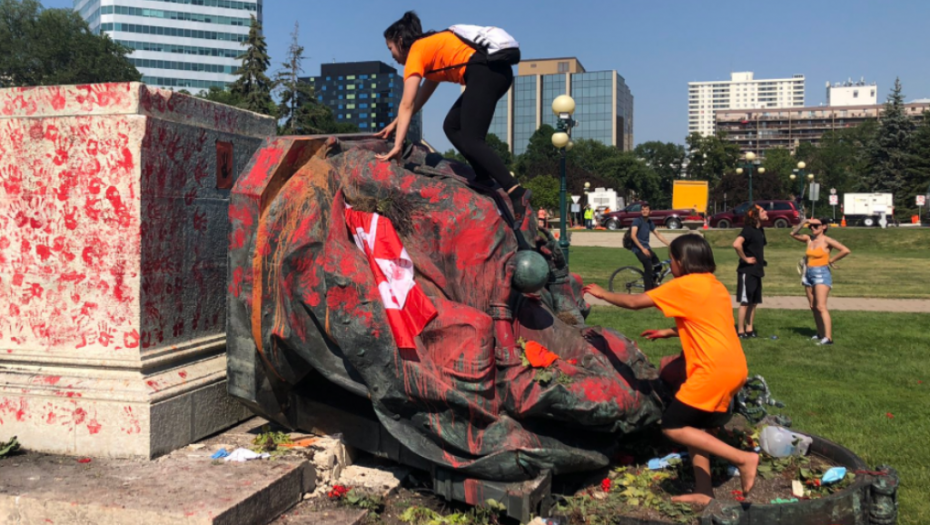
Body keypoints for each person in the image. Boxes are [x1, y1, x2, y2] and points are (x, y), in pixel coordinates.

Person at [583, 236, 758, 505]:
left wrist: (602, 293)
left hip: (711, 371)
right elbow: (708, 322)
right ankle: (704, 491)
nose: (670, 263)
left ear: (680, 261)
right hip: (735, 368)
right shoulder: (715, 285)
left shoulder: (682, 285)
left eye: (671, 258)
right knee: (696, 429)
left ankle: (743, 459)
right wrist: (669, 331)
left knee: (673, 426)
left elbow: (635, 302)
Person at [374, 12, 530, 225]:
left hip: (485, 72)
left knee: (473, 139)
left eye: (390, 48)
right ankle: (483, 177)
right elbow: (418, 100)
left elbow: (407, 102)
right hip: (493, 72)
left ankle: (515, 191)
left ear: (400, 42)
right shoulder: (430, 48)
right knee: (452, 126)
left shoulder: (416, 53)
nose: (391, 54)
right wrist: (395, 123)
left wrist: (397, 146)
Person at [790, 218, 851, 345]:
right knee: (813, 306)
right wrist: (803, 222)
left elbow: (845, 250)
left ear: (824, 227)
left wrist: (832, 260)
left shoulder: (827, 240)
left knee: (821, 306)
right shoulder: (809, 239)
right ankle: (820, 333)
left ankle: (828, 338)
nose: (812, 228)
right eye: (810, 226)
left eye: (816, 225)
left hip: (821, 274)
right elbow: (793, 234)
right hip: (808, 273)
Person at [733, 204, 767, 338]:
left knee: (754, 302)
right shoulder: (748, 230)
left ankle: (749, 329)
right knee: (745, 302)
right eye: (763, 211)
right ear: (756, 215)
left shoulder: (760, 230)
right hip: (747, 271)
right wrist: (745, 259)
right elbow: (736, 244)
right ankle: (740, 331)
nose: (766, 212)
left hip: (757, 270)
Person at [630, 203, 671, 291]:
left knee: (658, 266)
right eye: (642, 209)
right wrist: (642, 249)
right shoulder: (637, 221)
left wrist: (670, 244)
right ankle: (647, 292)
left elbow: (658, 234)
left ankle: (652, 284)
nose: (644, 211)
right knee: (648, 267)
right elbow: (633, 236)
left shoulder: (649, 222)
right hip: (638, 248)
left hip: (646, 247)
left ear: (650, 211)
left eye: (646, 209)